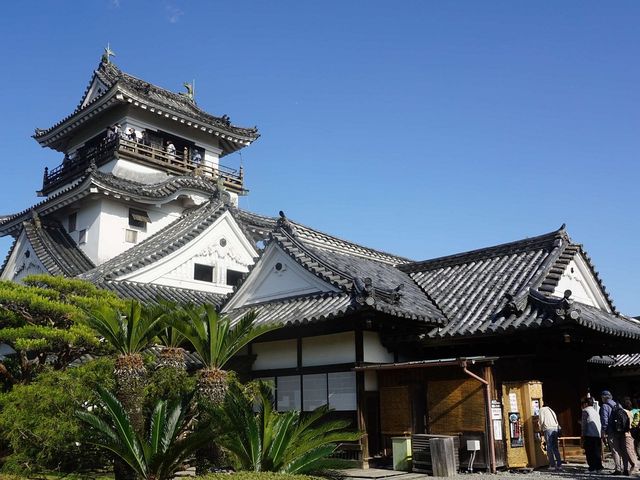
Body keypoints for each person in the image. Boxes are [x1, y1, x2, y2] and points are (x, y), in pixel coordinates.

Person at [601, 390, 624, 475]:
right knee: (622, 449)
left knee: (615, 449)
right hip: (621, 430)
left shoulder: (604, 406)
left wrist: (603, 432)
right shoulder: (618, 404)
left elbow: (605, 421)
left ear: (604, 397)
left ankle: (618, 469)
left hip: (611, 430)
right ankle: (624, 468)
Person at [615, 397, 638, 476]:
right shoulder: (631, 412)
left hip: (626, 433)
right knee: (632, 450)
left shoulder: (623, 412)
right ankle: (635, 466)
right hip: (632, 432)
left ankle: (634, 466)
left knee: (628, 450)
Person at [581, 397, 604, 472]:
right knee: (597, 451)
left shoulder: (585, 411)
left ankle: (592, 467)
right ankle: (599, 467)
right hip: (597, 433)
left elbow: (584, 424)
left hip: (589, 433)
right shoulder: (595, 411)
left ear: (586, 403)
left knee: (590, 452)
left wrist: (583, 434)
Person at [538, 401, 562, 470]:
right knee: (555, 447)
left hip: (548, 429)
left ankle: (552, 465)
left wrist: (540, 429)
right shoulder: (551, 410)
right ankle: (559, 465)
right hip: (555, 429)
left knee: (549, 447)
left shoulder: (542, 410)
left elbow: (541, 421)